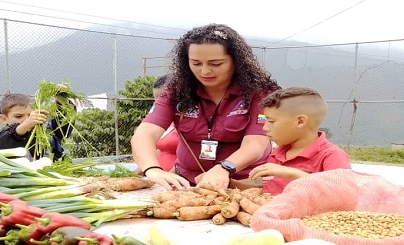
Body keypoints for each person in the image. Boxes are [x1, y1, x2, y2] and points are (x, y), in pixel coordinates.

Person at [131, 24, 280, 190]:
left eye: (216, 64)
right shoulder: (177, 91)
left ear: (236, 61)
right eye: (196, 63)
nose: (205, 71)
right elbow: (144, 134)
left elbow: (255, 144)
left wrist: (224, 168)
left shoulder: (259, 93)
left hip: (244, 185)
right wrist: (152, 169)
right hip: (186, 185)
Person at [248, 87, 352, 195]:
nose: (265, 128)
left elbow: (343, 194)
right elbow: (271, 185)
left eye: (271, 121)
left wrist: (294, 174)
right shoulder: (277, 154)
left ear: (300, 122)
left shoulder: (331, 156)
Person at [0, 93, 48, 157]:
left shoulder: (37, 134)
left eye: (30, 115)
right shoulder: (1, 135)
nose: (27, 120)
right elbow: (5, 141)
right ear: (4, 119)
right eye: (19, 116)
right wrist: (24, 127)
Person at [152, 74, 179, 171]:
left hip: (178, 180)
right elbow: (159, 150)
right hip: (161, 179)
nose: (157, 102)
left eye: (161, 97)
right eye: (155, 98)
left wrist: (169, 177)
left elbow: (188, 160)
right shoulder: (164, 124)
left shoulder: (189, 122)